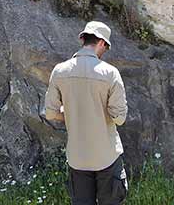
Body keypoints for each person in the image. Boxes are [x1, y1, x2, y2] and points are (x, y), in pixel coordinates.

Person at [43, 21, 129, 205]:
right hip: (106, 157)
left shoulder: (59, 71)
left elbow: (50, 114)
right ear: (101, 43)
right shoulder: (110, 73)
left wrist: (72, 112)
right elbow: (119, 118)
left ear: (82, 38)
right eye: (106, 46)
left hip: (77, 158)